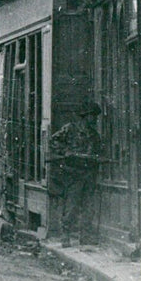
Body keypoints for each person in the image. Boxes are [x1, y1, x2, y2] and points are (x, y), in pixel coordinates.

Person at [48, 101, 103, 246]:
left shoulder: (94, 135)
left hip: (89, 173)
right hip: (73, 173)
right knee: (71, 206)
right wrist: (66, 152)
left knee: (88, 206)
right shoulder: (70, 129)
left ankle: (85, 236)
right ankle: (65, 235)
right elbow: (53, 141)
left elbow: (97, 152)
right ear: (85, 116)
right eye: (93, 116)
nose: (95, 119)